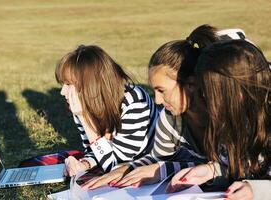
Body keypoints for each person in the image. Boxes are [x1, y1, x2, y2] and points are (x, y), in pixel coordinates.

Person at [82, 25, 254, 190]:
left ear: (191, 84)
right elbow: (157, 158)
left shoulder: (226, 113)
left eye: (161, 90)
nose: (157, 101)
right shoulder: (169, 118)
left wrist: (162, 170)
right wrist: (127, 168)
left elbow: (235, 168)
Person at [169, 40, 271, 200]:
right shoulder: (231, 119)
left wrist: (256, 190)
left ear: (237, 92)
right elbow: (241, 169)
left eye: (209, 92)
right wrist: (211, 172)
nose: (203, 98)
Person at [55, 45, 158, 176]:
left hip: (155, 162)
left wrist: (85, 121)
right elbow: (96, 150)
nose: (62, 92)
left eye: (68, 84)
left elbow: (115, 166)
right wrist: (83, 164)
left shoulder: (134, 102)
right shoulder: (81, 106)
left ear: (91, 84)